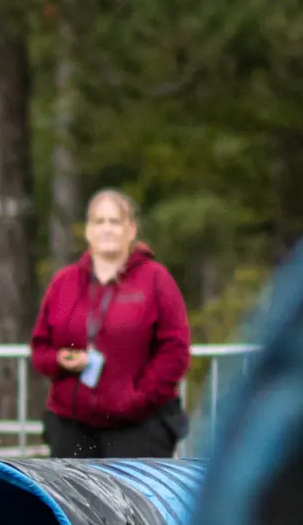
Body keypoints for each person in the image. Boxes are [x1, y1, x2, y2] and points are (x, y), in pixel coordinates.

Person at [28, 189, 192, 459]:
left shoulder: (156, 280)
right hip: (72, 426)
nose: (107, 229)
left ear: (131, 229)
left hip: (139, 427)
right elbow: (40, 349)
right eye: (99, 221)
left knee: (130, 502)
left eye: (115, 222)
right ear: (88, 230)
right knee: (73, 502)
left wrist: (137, 398)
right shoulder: (64, 283)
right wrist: (62, 358)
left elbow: (175, 351)